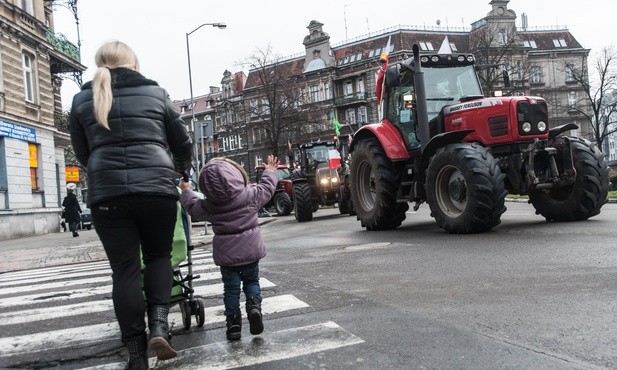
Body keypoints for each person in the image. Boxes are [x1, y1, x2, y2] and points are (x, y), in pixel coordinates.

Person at [68, 41, 193, 370]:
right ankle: (160, 326)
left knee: (124, 271)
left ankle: (136, 354)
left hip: (108, 195)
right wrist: (177, 170)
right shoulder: (156, 94)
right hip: (156, 189)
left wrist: (102, 170)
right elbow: (182, 142)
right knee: (158, 257)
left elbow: (83, 153)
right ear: (133, 63)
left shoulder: (82, 99)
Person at [179, 155, 278, 341]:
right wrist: (270, 171)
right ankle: (254, 306)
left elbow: (192, 206)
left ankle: (233, 325)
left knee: (231, 290)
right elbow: (267, 187)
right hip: (250, 252)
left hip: (227, 257)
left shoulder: (209, 206)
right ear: (237, 175)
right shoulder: (251, 195)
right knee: (252, 282)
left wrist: (186, 190)